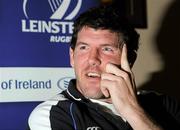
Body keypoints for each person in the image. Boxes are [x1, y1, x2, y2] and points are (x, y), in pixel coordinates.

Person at [27, 5, 180, 130]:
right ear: (72, 57)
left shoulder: (165, 104)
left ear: (130, 59)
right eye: (84, 48)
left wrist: (132, 110)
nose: (93, 59)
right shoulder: (53, 114)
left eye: (107, 49)